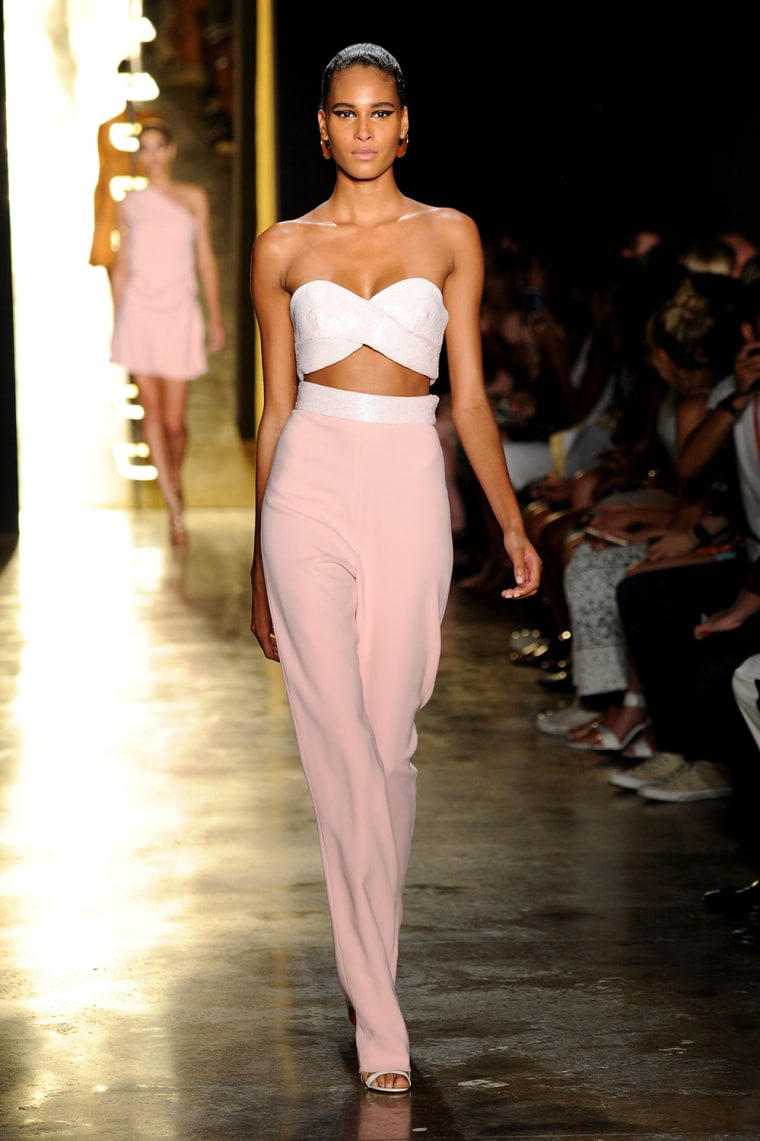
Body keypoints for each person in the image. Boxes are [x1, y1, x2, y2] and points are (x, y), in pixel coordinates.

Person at [248, 43, 541, 1094]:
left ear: (404, 126)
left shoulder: (449, 234)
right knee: (335, 749)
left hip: (409, 482)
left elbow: (467, 398)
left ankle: (376, 951)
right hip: (308, 490)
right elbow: (276, 409)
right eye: (344, 113)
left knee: (388, 735)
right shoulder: (280, 247)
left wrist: (508, 522)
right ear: (319, 128)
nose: (363, 130)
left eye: (380, 113)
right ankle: (379, 1011)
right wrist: (255, 567)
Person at [110, 118, 226, 544]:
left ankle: (173, 481)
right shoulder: (130, 203)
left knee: (176, 422)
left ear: (172, 150)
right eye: (146, 148)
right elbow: (122, 267)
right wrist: (116, 321)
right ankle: (174, 506)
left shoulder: (194, 198)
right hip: (139, 313)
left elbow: (206, 260)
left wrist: (214, 316)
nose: (153, 155)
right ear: (139, 156)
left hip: (179, 312)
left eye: (160, 146)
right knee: (154, 415)